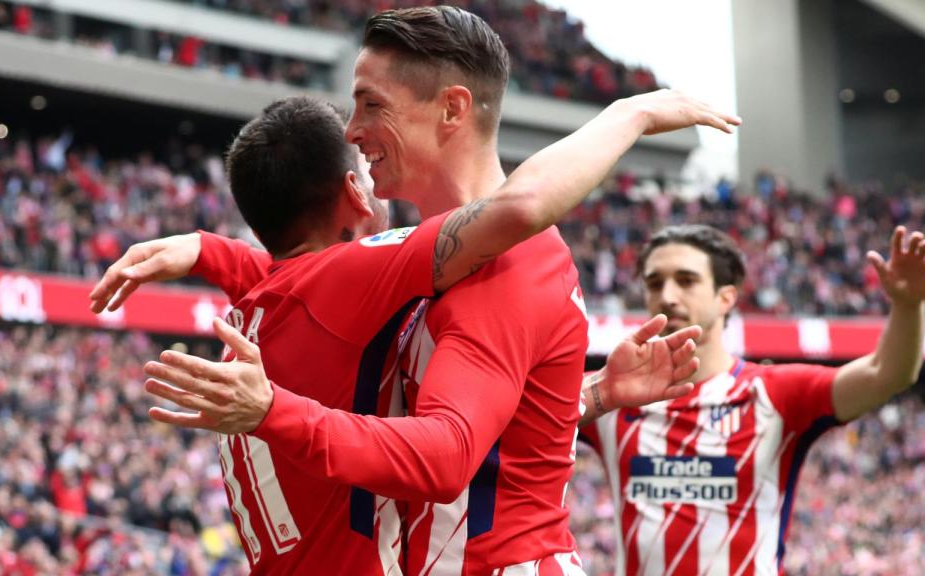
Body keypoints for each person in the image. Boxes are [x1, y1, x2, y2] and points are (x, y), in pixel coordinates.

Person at [124, 6, 741, 575]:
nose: (354, 130)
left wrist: (630, 113)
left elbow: (448, 453)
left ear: (451, 109)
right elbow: (305, 287)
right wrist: (590, 395)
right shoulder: (411, 262)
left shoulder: (510, 257)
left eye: (370, 104)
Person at [580, 224, 925, 575]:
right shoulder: (612, 396)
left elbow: (889, 373)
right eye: (654, 282)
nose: (668, 295)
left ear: (726, 297)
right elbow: (530, 407)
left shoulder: (775, 393)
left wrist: (908, 305)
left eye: (686, 280)